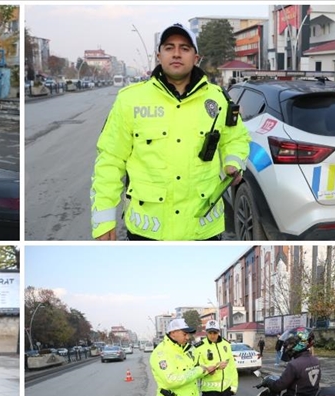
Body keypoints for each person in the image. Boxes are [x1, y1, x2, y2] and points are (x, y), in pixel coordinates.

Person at [90, 22, 250, 241]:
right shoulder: (129, 101)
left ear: (196, 58)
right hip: (148, 230)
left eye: (184, 48)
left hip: (202, 227)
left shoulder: (219, 99)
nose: (176, 54)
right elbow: (110, 160)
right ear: (159, 55)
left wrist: (233, 160)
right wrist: (104, 220)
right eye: (169, 47)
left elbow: (236, 137)